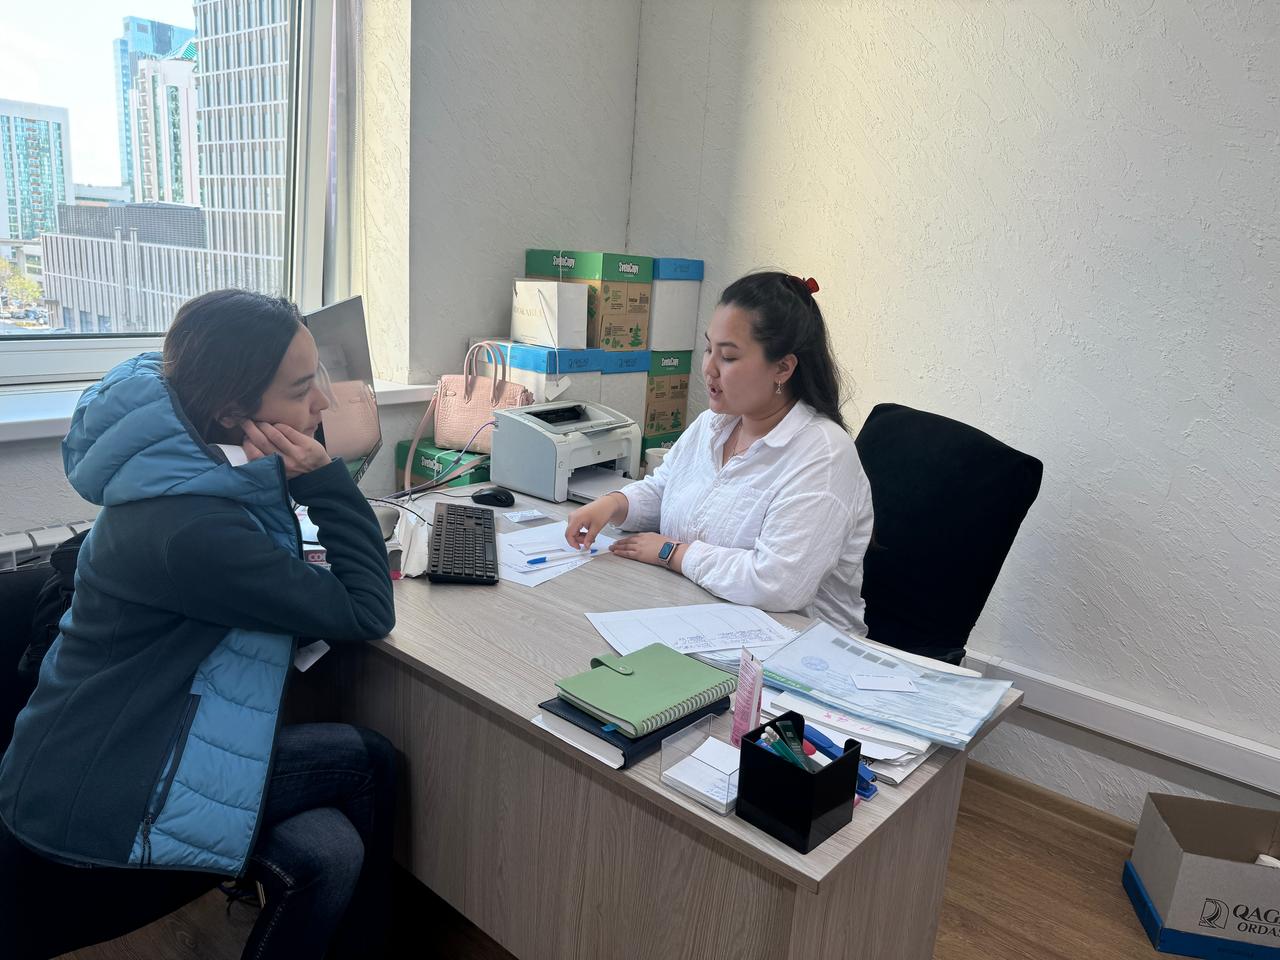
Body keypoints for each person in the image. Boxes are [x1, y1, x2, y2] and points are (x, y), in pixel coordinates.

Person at [0, 289, 398, 960]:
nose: (323, 403)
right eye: (302, 388)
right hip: (104, 806)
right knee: (368, 763)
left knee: (330, 849)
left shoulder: (174, 468)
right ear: (232, 410)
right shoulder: (193, 532)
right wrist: (325, 480)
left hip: (91, 759)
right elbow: (367, 609)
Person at [566, 271, 875, 636]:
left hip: (797, 646)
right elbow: (666, 490)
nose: (709, 368)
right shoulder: (715, 424)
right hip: (697, 617)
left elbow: (777, 583)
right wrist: (614, 504)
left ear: (782, 368)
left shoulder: (823, 456)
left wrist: (672, 553)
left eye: (728, 356)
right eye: (709, 348)